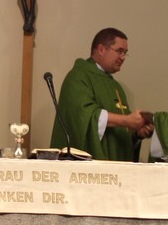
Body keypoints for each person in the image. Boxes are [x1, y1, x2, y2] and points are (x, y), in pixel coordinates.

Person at [50, 28, 152, 161]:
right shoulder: (78, 77)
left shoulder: (116, 87)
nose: (123, 57)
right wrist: (127, 120)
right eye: (119, 51)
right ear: (101, 49)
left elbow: (116, 134)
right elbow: (86, 117)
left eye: (125, 53)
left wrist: (137, 134)